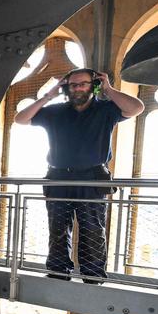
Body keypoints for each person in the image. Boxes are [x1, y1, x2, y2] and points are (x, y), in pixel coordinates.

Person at [14, 68, 145, 283]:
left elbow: (137, 108)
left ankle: (92, 277)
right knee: (57, 227)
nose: (77, 88)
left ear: (93, 86)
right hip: (58, 178)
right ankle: (58, 273)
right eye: (73, 85)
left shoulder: (106, 110)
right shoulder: (55, 111)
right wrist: (48, 96)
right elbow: (21, 119)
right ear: (67, 88)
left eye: (83, 84)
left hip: (92, 178)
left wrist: (109, 89)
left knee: (92, 229)